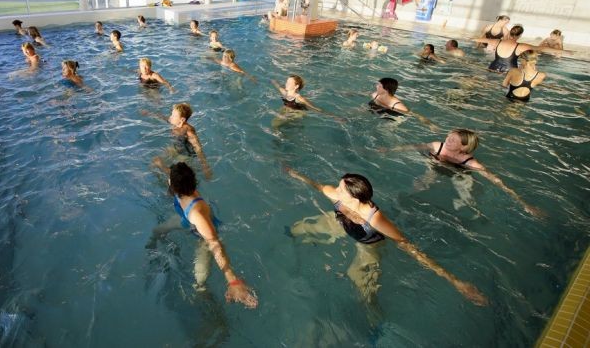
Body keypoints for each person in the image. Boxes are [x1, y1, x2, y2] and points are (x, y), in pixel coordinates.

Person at [285, 168, 487, 306]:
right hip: (340, 224)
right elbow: (318, 186)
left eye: (341, 189)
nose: (335, 190)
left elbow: (406, 245)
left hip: (367, 244)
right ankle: (289, 243)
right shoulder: (338, 196)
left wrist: (455, 281)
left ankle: (372, 313)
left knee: (360, 283)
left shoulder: (376, 220)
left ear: (355, 197)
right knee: (298, 228)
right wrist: (296, 175)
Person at [150, 159, 258, 308]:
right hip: (185, 221)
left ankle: (212, 305)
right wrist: (159, 164)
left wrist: (232, 280)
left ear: (174, 187)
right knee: (157, 231)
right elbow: (171, 174)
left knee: (199, 281)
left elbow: (214, 243)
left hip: (202, 235)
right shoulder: (179, 183)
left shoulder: (197, 214)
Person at [382, 129, 541, 216]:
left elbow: (495, 180)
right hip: (435, 165)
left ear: (463, 148)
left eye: (452, 140)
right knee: (421, 184)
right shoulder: (438, 146)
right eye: (448, 137)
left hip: (456, 171)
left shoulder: (470, 162)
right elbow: (414, 147)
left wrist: (523, 203)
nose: (447, 140)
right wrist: (388, 150)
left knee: (468, 197)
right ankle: (403, 207)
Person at [141, 103, 212, 179]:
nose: (171, 117)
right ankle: (160, 180)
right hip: (175, 148)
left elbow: (197, 147)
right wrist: (149, 113)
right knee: (154, 162)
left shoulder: (188, 130)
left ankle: (172, 180)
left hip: (185, 154)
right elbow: (164, 118)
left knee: (176, 175)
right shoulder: (175, 122)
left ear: (182, 119)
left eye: (173, 116)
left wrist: (205, 167)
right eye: (171, 114)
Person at [475, 25, 546, 73]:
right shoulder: (521, 46)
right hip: (509, 71)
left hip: (493, 67)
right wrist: (557, 51)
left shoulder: (497, 41)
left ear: (510, 33)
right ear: (520, 35)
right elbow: (541, 48)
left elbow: (477, 39)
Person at [369, 77, 435, 129]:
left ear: (386, 90)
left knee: (384, 130)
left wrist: (430, 125)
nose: (376, 86)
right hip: (379, 110)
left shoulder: (397, 105)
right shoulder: (375, 95)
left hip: (394, 116)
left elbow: (415, 115)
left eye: (379, 86)